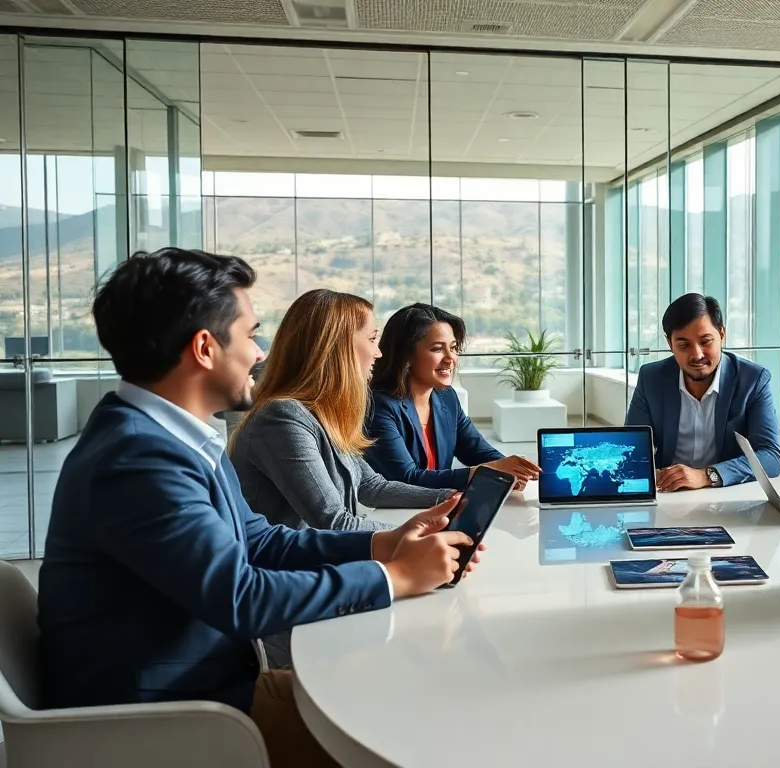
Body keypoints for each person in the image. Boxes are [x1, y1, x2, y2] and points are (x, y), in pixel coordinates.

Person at [38, 247, 480, 768]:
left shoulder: (173, 438)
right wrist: (393, 577)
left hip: (212, 685)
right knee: (412, 730)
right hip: (173, 716)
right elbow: (241, 598)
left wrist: (386, 543)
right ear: (205, 347)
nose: (259, 352)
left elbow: (260, 538)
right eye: (250, 335)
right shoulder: (137, 459)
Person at [229, 289, 450, 533]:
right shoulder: (282, 418)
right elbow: (333, 522)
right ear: (338, 346)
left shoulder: (324, 412)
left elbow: (372, 487)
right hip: (288, 568)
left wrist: (449, 497)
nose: (379, 352)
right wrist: (422, 535)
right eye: (372, 339)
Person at [364, 303, 539, 491]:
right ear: (406, 356)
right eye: (437, 349)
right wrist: (487, 472)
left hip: (435, 508)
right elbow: (407, 479)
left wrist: (513, 469)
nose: (451, 358)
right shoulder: (378, 405)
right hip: (393, 514)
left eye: (454, 348)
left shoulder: (446, 397)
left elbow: (476, 449)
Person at [625, 293, 780, 491]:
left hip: (726, 495)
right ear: (670, 344)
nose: (697, 354)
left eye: (706, 341)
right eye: (684, 345)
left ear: (722, 335)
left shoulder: (753, 380)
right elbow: (631, 449)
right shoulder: (652, 378)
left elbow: (771, 457)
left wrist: (707, 475)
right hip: (669, 494)